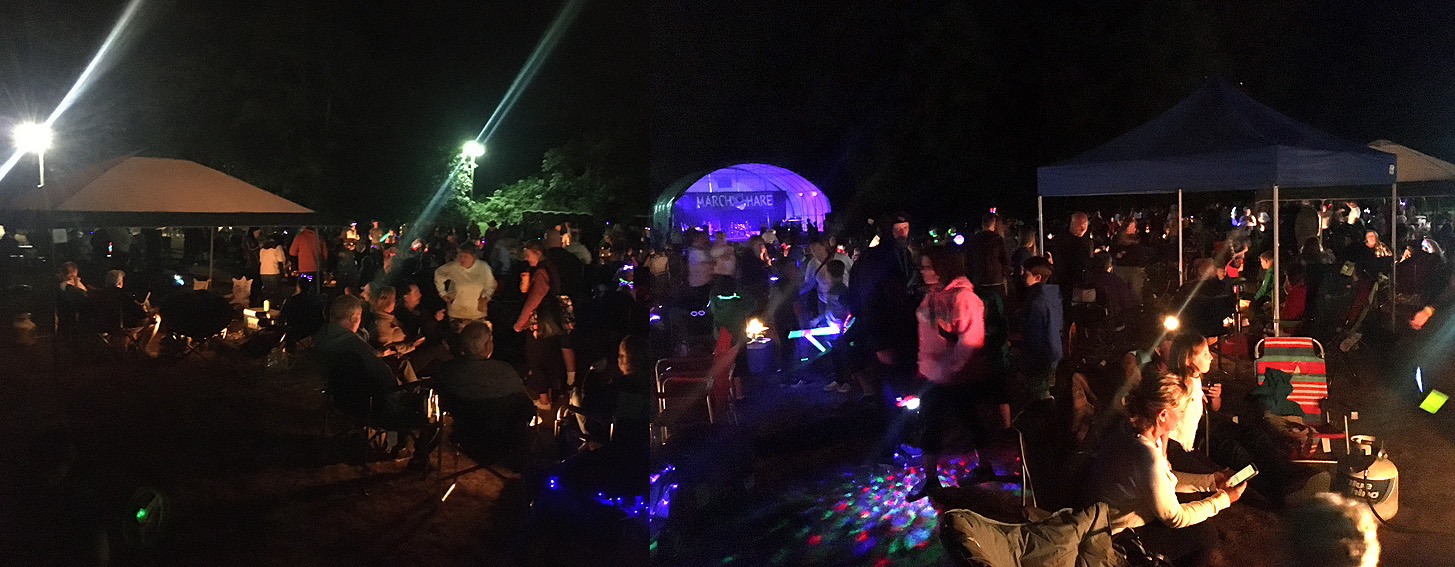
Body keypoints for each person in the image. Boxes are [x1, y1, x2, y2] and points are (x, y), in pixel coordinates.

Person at [1086, 373, 1245, 566]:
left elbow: (1162, 480)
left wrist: (1210, 482)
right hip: (1118, 533)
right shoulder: (1146, 456)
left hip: (1117, 513)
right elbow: (1174, 517)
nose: (1183, 415)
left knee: (1192, 501)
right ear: (1163, 415)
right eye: (1181, 411)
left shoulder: (1132, 430)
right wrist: (1223, 499)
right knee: (1205, 535)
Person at [907, 245, 1004, 502]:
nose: (923, 271)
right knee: (932, 426)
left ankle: (983, 468)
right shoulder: (932, 295)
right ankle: (931, 480)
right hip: (934, 375)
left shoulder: (963, 298)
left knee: (969, 422)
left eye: (929, 266)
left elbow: (971, 340)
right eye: (922, 266)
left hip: (959, 377)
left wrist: (948, 369)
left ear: (943, 267)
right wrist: (924, 367)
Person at [312, 295, 438, 471]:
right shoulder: (355, 347)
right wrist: (405, 395)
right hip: (371, 408)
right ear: (354, 318)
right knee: (432, 415)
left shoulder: (321, 338)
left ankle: (394, 443)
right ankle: (414, 457)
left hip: (340, 401)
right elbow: (386, 383)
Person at [429, 322, 534, 467]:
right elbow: (528, 409)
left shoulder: (448, 370)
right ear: (486, 346)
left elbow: (442, 404)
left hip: (466, 439)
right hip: (507, 443)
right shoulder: (505, 370)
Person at [514, 239, 575, 412]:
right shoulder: (550, 268)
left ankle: (544, 399)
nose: (526, 258)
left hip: (539, 323)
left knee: (535, 359)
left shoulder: (540, 272)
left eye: (528, 255)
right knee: (549, 358)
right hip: (552, 321)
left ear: (538, 253)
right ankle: (553, 394)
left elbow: (535, 299)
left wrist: (520, 322)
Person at [1017, 256, 1063, 402]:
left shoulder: (1037, 302)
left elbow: (1034, 334)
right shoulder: (1052, 296)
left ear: (1037, 277)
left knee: (1039, 397)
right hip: (1052, 355)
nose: (1022, 275)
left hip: (1040, 358)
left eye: (1026, 273)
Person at [433, 241, 497, 332]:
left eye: (465, 256)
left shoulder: (483, 268)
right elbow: (438, 275)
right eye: (460, 255)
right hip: (457, 314)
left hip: (477, 314)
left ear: (473, 257)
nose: (461, 259)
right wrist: (443, 293)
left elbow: (490, 285)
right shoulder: (453, 267)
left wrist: (486, 297)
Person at [966, 212, 1010, 301]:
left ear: (982, 224)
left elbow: (968, 260)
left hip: (979, 279)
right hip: (996, 279)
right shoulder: (998, 239)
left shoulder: (973, 240)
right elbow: (1005, 259)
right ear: (993, 224)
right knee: (998, 305)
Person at [258, 237, 286, 304]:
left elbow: (261, 261)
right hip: (274, 271)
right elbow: (281, 260)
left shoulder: (262, 249)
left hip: (263, 272)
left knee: (268, 292)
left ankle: (268, 305)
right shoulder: (277, 247)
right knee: (276, 292)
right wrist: (283, 272)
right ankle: (276, 305)